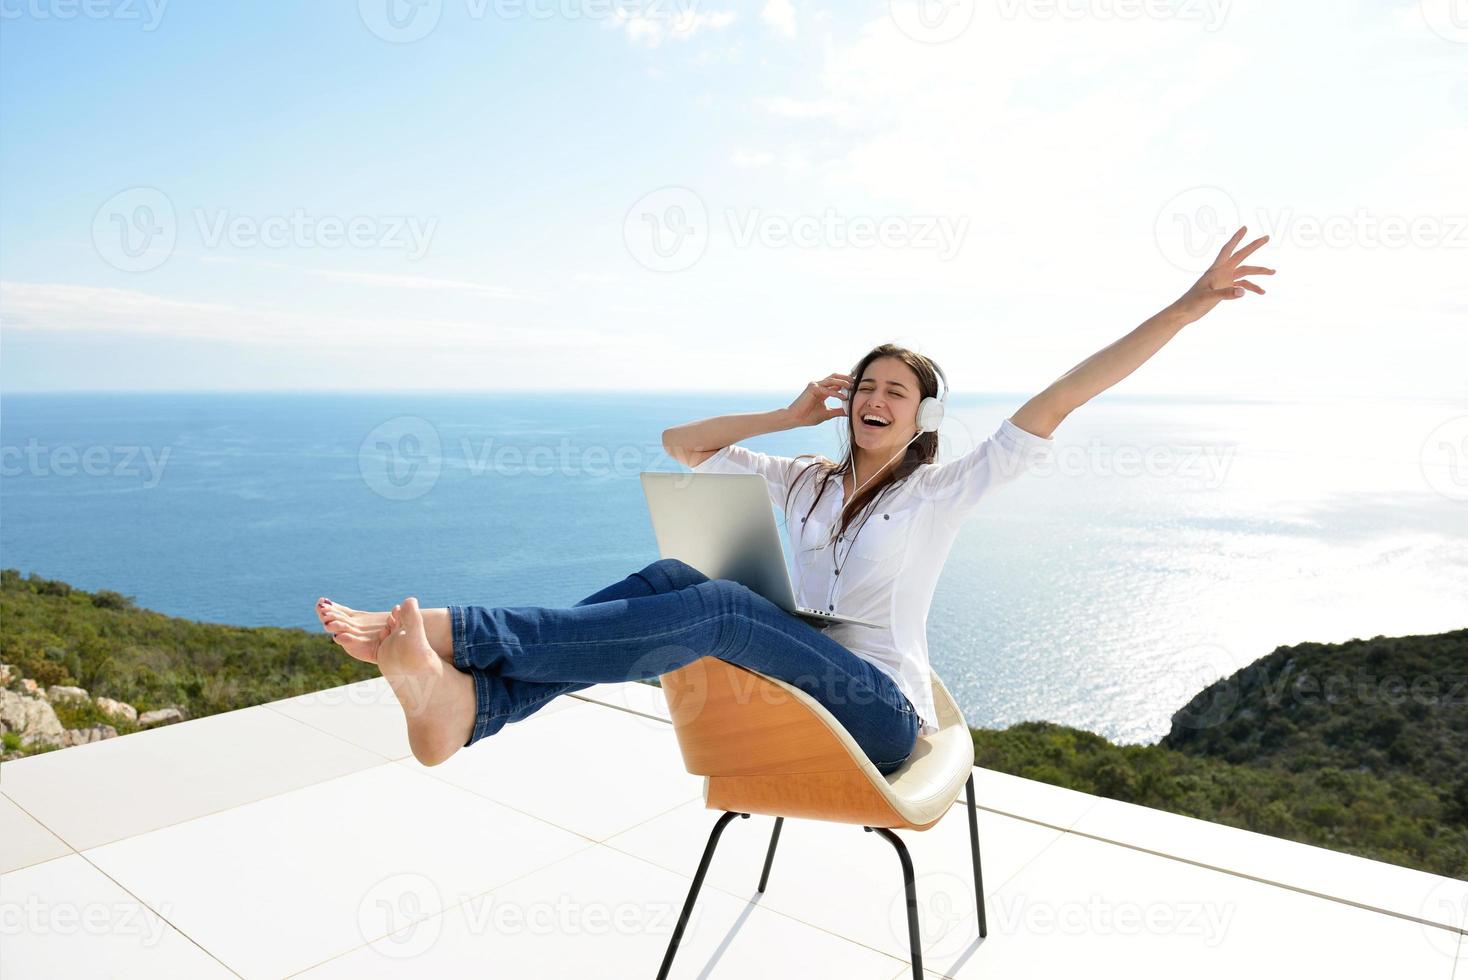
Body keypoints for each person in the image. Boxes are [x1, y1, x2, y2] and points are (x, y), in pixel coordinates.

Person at [315, 226, 1273, 770]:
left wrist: (1188, 306)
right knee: (673, 574)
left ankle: (454, 635)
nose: (874, 398)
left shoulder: (942, 490)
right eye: (865, 385)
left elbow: (1066, 395)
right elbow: (680, 445)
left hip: (881, 715)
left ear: (922, 416)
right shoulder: (805, 481)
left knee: (726, 606)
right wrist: (784, 413)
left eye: (896, 390)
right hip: (803, 677)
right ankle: (471, 712)